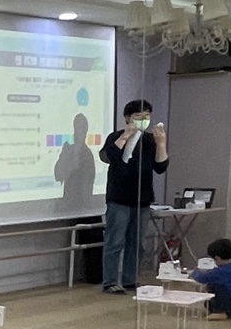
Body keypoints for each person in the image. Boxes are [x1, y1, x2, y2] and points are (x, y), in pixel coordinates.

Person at [99, 100, 169, 295]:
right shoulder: (115, 137)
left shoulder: (149, 140)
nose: (143, 120)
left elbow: (160, 167)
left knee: (136, 243)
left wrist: (161, 144)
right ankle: (110, 281)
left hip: (142, 199)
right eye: (139, 116)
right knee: (115, 241)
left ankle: (130, 279)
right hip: (119, 198)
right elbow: (110, 157)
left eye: (147, 116)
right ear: (128, 117)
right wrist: (126, 135)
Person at [191, 238, 231, 321]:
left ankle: (221, 312)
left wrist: (195, 271)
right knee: (209, 301)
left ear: (217, 258)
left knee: (217, 285)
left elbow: (201, 278)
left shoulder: (222, 271)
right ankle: (221, 310)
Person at [53, 112, 97, 208]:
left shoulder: (87, 155)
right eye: (77, 128)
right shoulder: (68, 150)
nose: (79, 132)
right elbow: (58, 175)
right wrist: (66, 158)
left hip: (82, 207)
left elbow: (87, 184)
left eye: (82, 128)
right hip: (67, 204)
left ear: (86, 131)